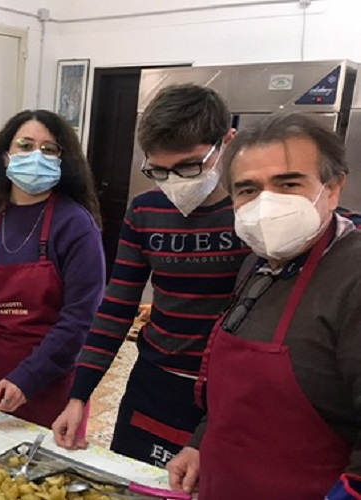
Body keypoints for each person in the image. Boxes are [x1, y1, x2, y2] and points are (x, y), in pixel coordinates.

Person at [166, 113, 361, 499]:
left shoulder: (352, 276)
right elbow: (240, 393)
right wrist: (202, 443)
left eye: (288, 183)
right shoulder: (258, 264)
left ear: (334, 187)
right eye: (249, 189)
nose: (267, 203)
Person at [52, 84, 248, 466]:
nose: (175, 181)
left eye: (189, 166)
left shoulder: (252, 217)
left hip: (225, 389)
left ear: (227, 143)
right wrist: (80, 395)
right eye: (159, 170)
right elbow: (116, 306)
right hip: (154, 380)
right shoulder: (144, 211)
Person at [0, 110, 105, 428]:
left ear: (62, 161)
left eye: (49, 149)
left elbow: (80, 320)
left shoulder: (76, 225)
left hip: (50, 382)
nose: (36, 155)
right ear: (5, 157)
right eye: (24, 145)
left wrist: (29, 376)